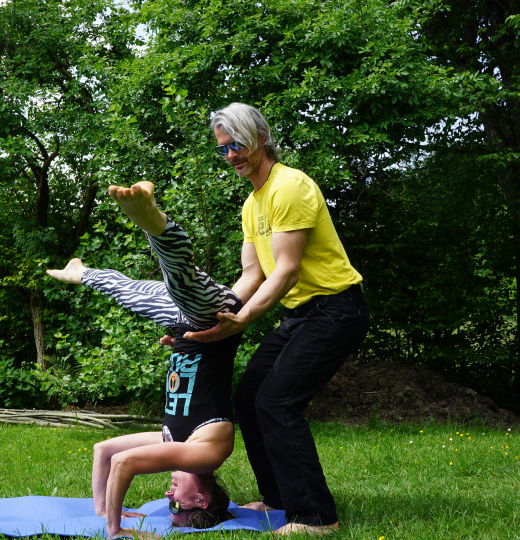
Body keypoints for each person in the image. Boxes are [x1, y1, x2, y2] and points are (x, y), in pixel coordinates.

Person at [183, 103, 371, 535]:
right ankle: (279, 500)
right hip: (302, 314)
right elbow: (253, 273)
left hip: (336, 309)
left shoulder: (289, 187)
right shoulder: (253, 203)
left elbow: (284, 269)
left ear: (261, 139)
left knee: (277, 402)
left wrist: (243, 320)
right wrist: (206, 318)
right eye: (223, 149)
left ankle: (317, 517)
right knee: (250, 398)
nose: (231, 156)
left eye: (237, 146)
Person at [46, 182, 241, 539]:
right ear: (200, 498)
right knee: (180, 278)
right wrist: (115, 530)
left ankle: (83, 273)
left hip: (184, 326)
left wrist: (104, 509)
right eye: (176, 505)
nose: (167, 496)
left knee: (134, 293)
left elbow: (105, 451)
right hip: (215, 318)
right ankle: (152, 220)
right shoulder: (206, 455)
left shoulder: (176, 443)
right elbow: (125, 464)